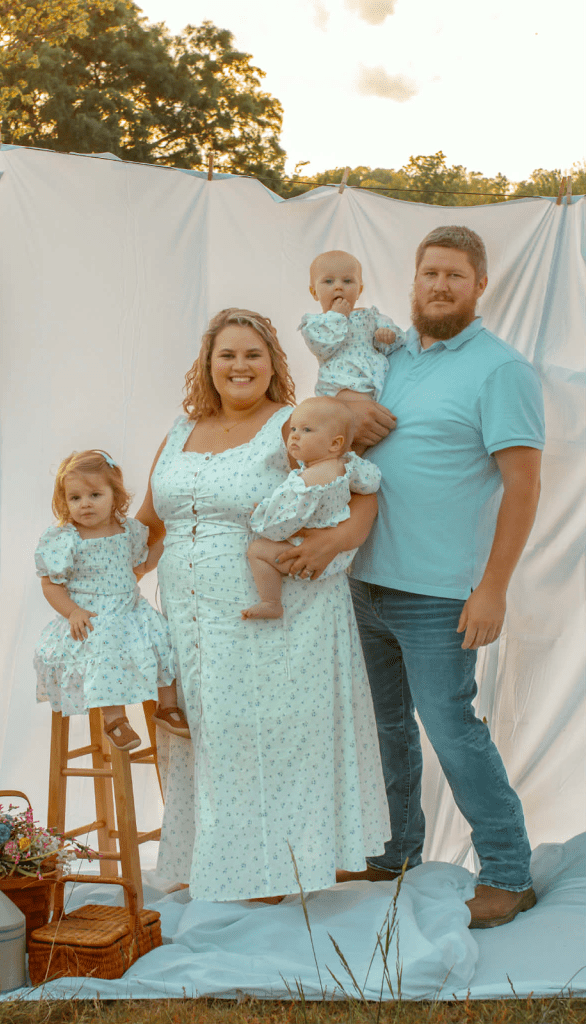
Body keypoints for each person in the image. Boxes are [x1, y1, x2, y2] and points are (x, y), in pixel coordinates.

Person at [320, 225, 544, 930]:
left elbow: (523, 485)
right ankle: (395, 851)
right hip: (365, 579)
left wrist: (493, 587)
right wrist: (351, 409)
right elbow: (340, 412)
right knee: (384, 726)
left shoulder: (498, 369)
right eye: (428, 274)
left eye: (454, 275)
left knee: (451, 729)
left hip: (440, 592)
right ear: (412, 281)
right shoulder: (393, 357)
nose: (439, 286)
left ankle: (508, 872)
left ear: (480, 287)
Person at [135, 309, 390, 902]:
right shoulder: (179, 431)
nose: (240, 365)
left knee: (271, 733)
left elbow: (364, 497)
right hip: (191, 614)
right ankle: (223, 865)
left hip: (277, 606)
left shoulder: (295, 425)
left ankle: (282, 869)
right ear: (208, 365)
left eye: (253, 354)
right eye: (227, 354)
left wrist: (330, 543)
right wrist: (97, 571)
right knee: (208, 734)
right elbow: (151, 523)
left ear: (274, 363)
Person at [34, 449, 190, 750]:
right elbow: (51, 584)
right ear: (64, 502)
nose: (85, 504)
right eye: (75, 498)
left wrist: (173, 538)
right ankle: (115, 720)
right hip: (91, 618)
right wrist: (73, 612)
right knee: (106, 651)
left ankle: (167, 706)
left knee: (164, 639)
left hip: (130, 612)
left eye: (95, 494)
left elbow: (142, 564)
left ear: (115, 497)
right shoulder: (66, 539)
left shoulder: (127, 531)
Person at [242, 396, 381, 620]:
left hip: (310, 554)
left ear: (335, 443)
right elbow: (371, 482)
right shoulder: (346, 465)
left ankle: (271, 601)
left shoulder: (306, 483)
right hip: (340, 551)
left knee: (258, 551)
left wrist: (261, 516)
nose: (295, 435)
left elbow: (284, 525)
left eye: (307, 430)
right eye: (294, 428)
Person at [299, 250, 405, 445]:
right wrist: (337, 316)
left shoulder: (370, 316)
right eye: (328, 282)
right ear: (314, 292)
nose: (339, 287)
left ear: (360, 288)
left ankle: (357, 468)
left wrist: (386, 336)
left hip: (374, 383)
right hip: (341, 385)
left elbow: (396, 340)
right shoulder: (316, 323)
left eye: (348, 281)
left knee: (377, 432)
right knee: (350, 435)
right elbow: (322, 346)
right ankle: (345, 467)